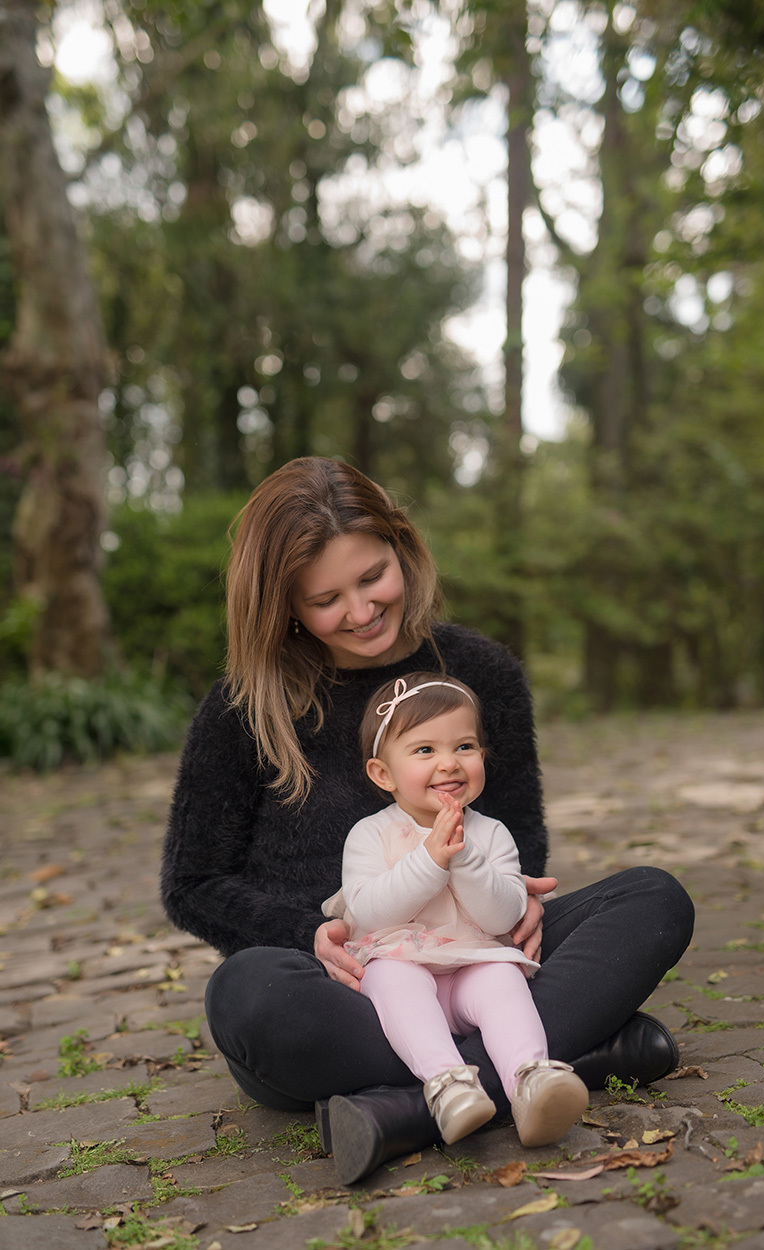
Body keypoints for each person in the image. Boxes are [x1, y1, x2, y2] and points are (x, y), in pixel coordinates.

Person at [161, 456, 694, 1186]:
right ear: (283, 604)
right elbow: (191, 883)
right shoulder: (245, 707)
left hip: (476, 952)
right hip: (340, 987)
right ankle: (569, 1058)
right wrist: (305, 936)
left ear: (402, 547)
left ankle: (406, 1111)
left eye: (372, 576)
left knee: (653, 899)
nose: (359, 610)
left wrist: (521, 899)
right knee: (246, 999)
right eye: (325, 599)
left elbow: (516, 834)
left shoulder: (481, 671)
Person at [322, 671, 589, 1149]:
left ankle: (530, 1080)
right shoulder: (370, 834)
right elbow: (370, 912)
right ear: (383, 774)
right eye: (425, 751)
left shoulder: (490, 834)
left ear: (482, 757)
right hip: (402, 964)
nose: (449, 764)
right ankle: (449, 1085)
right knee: (389, 978)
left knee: (503, 980)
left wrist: (463, 857)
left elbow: (501, 918)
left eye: (464, 747)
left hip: (473, 963)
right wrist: (430, 858)